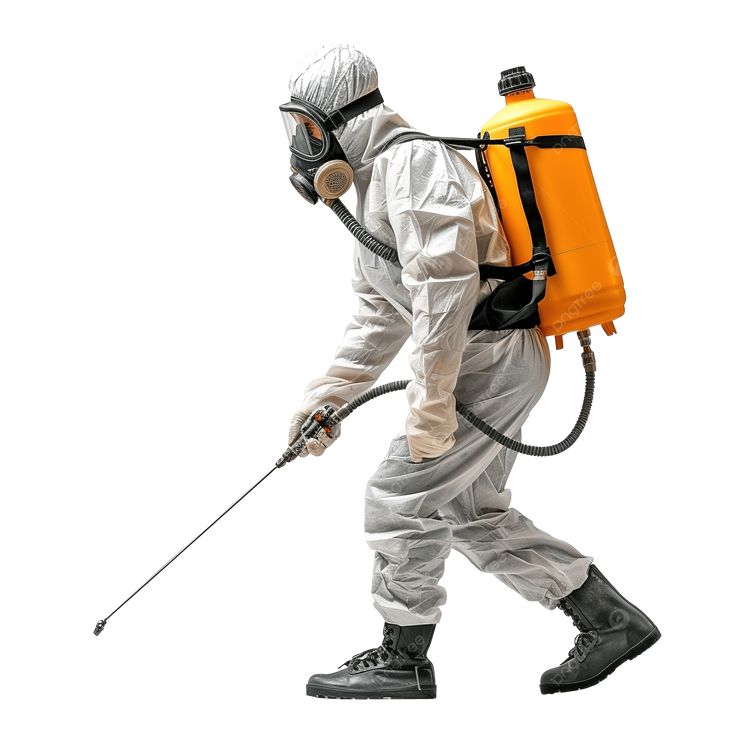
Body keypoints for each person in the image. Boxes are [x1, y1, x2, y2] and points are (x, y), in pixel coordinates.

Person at [281, 45, 659, 700]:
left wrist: (431, 402)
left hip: (488, 356)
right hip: (482, 355)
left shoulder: (413, 164)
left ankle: (404, 658)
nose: (302, 148)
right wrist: (328, 400)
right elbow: (381, 314)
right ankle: (609, 621)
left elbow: (445, 289)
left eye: (309, 129)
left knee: (399, 496)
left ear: (343, 117)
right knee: (467, 511)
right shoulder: (376, 182)